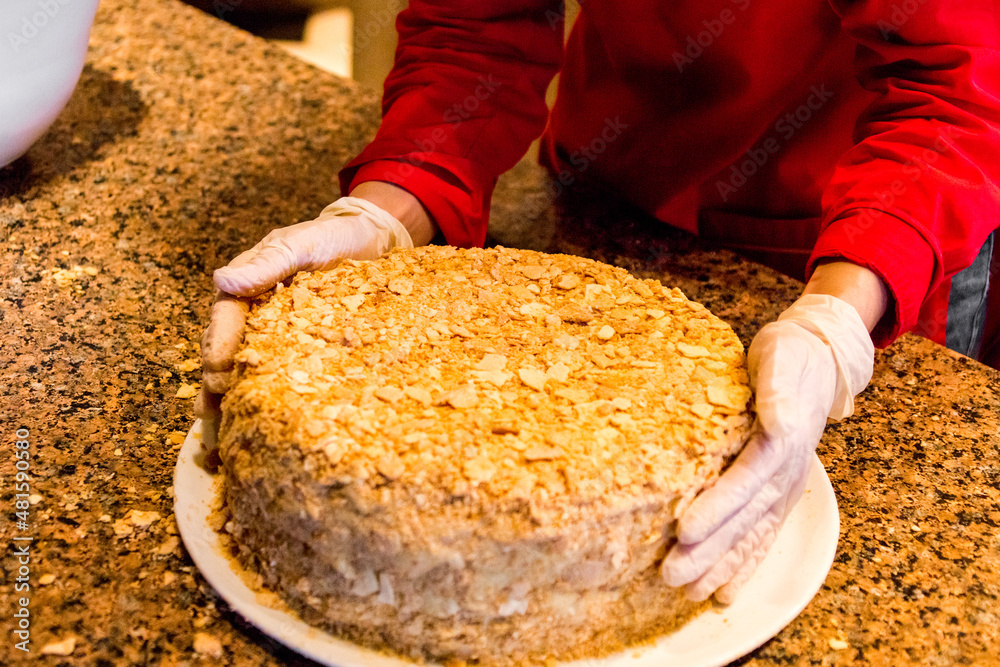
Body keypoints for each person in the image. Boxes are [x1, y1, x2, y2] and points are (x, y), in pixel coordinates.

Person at [197, 0, 1000, 603]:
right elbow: (481, 25)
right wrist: (391, 202)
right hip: (610, 169)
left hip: (870, 222)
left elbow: (955, 91)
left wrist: (834, 321)